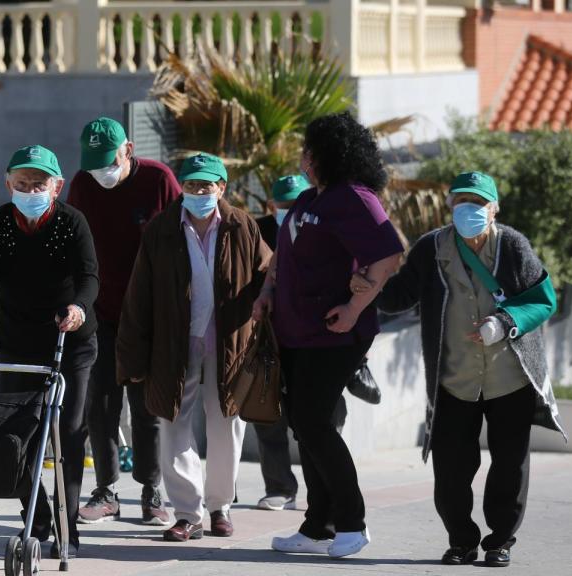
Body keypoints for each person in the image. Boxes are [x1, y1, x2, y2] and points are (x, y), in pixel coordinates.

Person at [352, 171, 563, 567]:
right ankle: (461, 541)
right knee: (450, 468)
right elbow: (400, 296)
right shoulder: (432, 247)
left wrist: (503, 323)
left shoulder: (513, 246)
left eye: (478, 203)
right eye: (461, 202)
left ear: (494, 208)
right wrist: (368, 282)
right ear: (450, 207)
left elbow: (542, 299)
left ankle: (500, 540)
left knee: (509, 465)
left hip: (510, 378)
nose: (469, 210)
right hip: (453, 380)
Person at [253, 112, 404, 558]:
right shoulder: (307, 201)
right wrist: (265, 293)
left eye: (309, 152)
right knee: (304, 424)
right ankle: (317, 525)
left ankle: (352, 523)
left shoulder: (354, 198)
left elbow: (388, 254)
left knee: (316, 424)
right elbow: (282, 257)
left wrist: (356, 306)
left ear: (331, 155)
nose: (303, 159)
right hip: (295, 333)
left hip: (335, 334)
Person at [0, 145, 99, 560]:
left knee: (67, 430)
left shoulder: (72, 222)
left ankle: (67, 528)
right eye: (22, 183)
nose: (30, 190)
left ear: (57, 186)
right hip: (18, 342)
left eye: (39, 183)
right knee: (17, 432)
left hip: (71, 338)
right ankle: (38, 515)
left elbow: (89, 277)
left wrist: (78, 308)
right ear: (7, 183)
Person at [118, 153, 272, 542]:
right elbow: (139, 294)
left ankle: (220, 507)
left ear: (222, 187)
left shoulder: (242, 226)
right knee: (173, 424)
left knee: (227, 425)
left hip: (228, 344)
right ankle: (188, 513)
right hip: (173, 345)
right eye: (191, 185)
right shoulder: (161, 230)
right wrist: (132, 355)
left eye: (206, 186)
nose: (199, 192)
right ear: (181, 189)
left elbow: (266, 274)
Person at [67, 117, 180, 526]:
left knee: (146, 407)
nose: (102, 173)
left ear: (128, 150)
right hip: (99, 312)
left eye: (108, 162)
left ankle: (152, 492)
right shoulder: (82, 184)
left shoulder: (160, 180)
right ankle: (106, 490)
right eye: (94, 164)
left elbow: (183, 241)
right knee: (100, 405)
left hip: (148, 313)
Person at [252, 174, 378, 512]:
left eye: (297, 204)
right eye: (285, 207)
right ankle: (281, 487)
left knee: (320, 422)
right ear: (271, 207)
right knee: (272, 417)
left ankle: (326, 504)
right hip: (275, 341)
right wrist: (266, 292)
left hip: (325, 338)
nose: (293, 211)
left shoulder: (326, 218)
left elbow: (373, 259)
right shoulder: (259, 230)